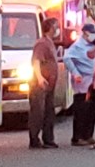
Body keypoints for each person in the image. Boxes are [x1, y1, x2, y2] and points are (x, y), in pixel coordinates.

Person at [63, 23, 95, 146]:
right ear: (85, 33)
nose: (93, 35)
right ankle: (77, 137)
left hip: (93, 81)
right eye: (91, 33)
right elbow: (67, 59)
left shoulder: (92, 45)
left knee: (92, 110)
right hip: (82, 82)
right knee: (81, 110)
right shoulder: (77, 46)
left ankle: (88, 135)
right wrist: (75, 73)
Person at [29, 17, 61, 149]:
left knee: (49, 111)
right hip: (40, 84)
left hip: (50, 83)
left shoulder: (50, 42)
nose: (57, 28)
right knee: (38, 111)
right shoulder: (41, 43)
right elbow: (36, 61)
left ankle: (48, 139)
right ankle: (34, 139)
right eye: (56, 26)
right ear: (50, 28)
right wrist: (40, 77)